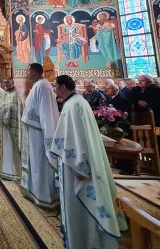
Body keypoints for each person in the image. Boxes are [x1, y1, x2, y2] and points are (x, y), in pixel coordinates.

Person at [51, 75, 127, 248]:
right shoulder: (77, 102)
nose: (54, 89)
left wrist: (79, 165)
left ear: (63, 86)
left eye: (55, 86)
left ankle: (87, 239)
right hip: (77, 162)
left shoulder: (74, 105)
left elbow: (77, 139)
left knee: (83, 203)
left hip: (78, 166)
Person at [21, 63, 59, 208]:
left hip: (39, 133)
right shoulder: (38, 85)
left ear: (35, 72)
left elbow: (46, 113)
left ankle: (43, 194)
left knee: (40, 163)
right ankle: (35, 191)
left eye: (29, 71)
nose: (27, 74)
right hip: (33, 132)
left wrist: (47, 133)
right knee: (35, 164)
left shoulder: (42, 86)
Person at [0, 78, 22, 180]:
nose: (6, 84)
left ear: (13, 83)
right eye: (4, 82)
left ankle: (11, 171)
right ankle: (2, 169)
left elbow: (11, 108)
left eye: (8, 82)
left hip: (10, 127)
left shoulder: (15, 95)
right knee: (4, 148)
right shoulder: (6, 93)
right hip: (3, 126)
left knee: (9, 149)